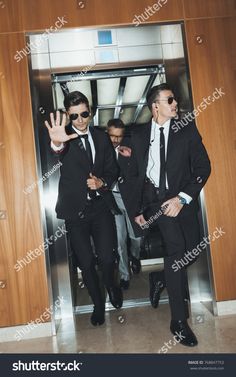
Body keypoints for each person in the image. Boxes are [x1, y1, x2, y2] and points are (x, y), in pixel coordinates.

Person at [131, 83, 211, 347]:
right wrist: (138, 210)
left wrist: (183, 198)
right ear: (155, 106)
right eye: (170, 100)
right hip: (158, 203)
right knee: (176, 250)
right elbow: (134, 176)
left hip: (183, 200)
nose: (175, 104)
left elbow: (203, 166)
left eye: (174, 100)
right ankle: (179, 320)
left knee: (193, 249)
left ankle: (159, 278)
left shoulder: (185, 129)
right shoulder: (140, 135)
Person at [44, 91, 123, 327]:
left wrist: (102, 183)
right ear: (68, 115)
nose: (80, 119)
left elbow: (113, 170)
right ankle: (98, 304)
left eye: (84, 113)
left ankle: (111, 284)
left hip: (100, 207)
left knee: (108, 258)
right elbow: (57, 149)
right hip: (75, 212)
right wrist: (57, 141)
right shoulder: (64, 137)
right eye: (75, 115)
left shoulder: (101, 137)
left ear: (91, 111)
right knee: (86, 262)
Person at [107, 119, 142, 290]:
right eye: (112, 135)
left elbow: (139, 172)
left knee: (137, 237)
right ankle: (124, 275)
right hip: (112, 199)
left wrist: (131, 158)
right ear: (107, 133)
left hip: (130, 198)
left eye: (118, 136)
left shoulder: (130, 147)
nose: (115, 139)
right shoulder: (101, 150)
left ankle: (135, 256)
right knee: (119, 240)